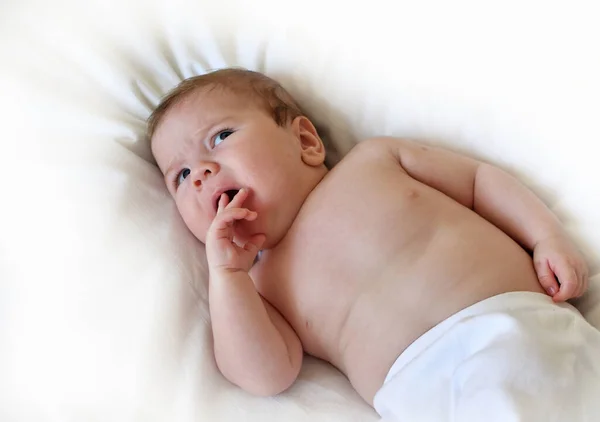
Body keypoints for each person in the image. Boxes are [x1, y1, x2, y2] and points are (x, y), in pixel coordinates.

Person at [148, 68, 599, 420]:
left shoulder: (375, 161)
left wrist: (546, 235)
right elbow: (266, 376)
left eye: (221, 137)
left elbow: (480, 182)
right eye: (181, 176)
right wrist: (227, 278)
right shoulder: (259, 284)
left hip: (519, 329)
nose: (202, 171)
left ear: (305, 141)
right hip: (422, 395)